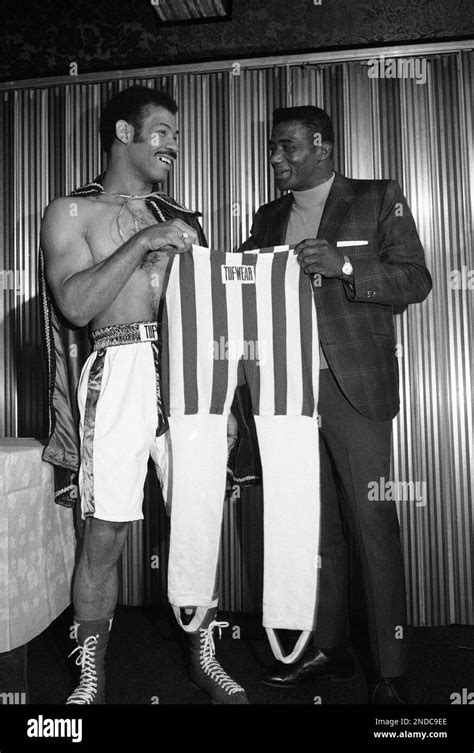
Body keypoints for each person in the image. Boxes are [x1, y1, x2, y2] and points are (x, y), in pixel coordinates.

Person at [40, 85, 247, 705]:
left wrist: (227, 403)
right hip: (119, 368)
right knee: (105, 531)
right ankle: (90, 674)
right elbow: (76, 306)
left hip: (187, 373)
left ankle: (203, 654)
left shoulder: (181, 216)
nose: (173, 147)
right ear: (124, 134)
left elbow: (212, 316)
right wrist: (141, 245)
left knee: (198, 521)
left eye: (177, 137)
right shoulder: (71, 214)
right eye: (162, 133)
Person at [238, 105, 432, 704]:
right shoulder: (268, 218)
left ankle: (392, 670)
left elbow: (416, 280)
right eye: (272, 149)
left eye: (287, 148)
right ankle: (331, 648)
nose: (276, 159)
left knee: (373, 524)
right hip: (287, 395)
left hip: (354, 388)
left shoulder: (378, 198)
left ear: (321, 146)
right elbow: (244, 290)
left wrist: (345, 264)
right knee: (314, 528)